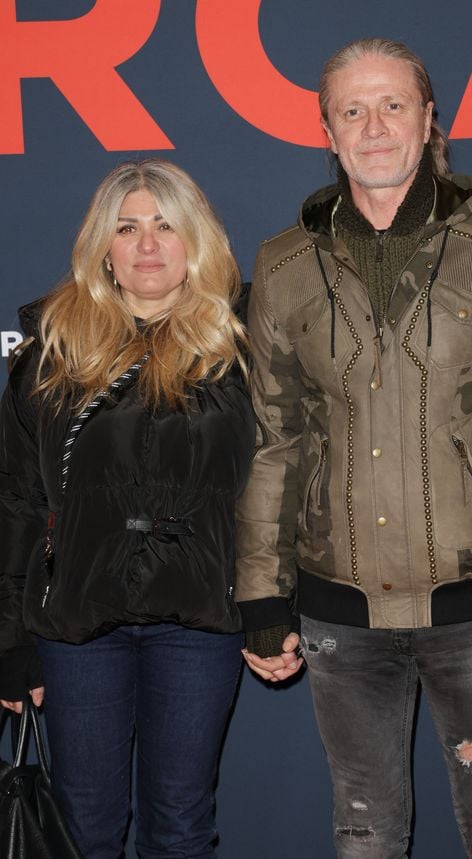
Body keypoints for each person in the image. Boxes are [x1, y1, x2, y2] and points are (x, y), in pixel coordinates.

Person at [235, 38, 472, 858]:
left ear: (429, 120)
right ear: (327, 131)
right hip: (338, 613)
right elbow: (274, 442)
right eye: (352, 110)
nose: (375, 126)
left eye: (393, 104)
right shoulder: (283, 265)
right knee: (364, 834)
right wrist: (261, 594)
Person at [0, 159, 256, 859]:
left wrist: (272, 604)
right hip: (78, 622)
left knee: (180, 826)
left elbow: (276, 488)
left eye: (166, 225)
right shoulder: (51, 350)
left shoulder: (242, 346)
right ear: (102, 248)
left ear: (195, 240)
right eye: (127, 227)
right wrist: (9, 638)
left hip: (198, 618)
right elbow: (15, 499)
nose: (147, 244)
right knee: (84, 828)